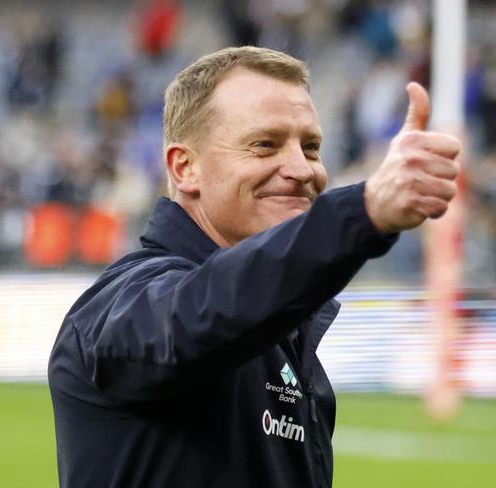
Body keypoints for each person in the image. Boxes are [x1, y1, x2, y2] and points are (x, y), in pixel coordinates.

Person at [48, 46, 460, 487]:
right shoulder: (125, 304)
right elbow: (202, 313)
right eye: (265, 145)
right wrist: (364, 212)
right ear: (185, 168)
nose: (303, 169)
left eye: (312, 147)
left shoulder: (289, 343)